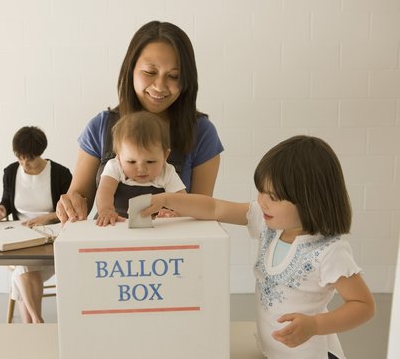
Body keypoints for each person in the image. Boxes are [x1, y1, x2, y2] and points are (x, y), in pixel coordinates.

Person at [141, 135, 376, 359]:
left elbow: (363, 306)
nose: (262, 201)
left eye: (273, 197)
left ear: (310, 202)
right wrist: (167, 199)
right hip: (273, 351)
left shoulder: (329, 252)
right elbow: (214, 208)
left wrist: (315, 325)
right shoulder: (268, 224)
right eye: (261, 191)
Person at [56, 20, 223, 223]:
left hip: (172, 249)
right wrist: (72, 204)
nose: (160, 86)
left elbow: (201, 212)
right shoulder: (100, 127)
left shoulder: (202, 133)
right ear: (131, 69)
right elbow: (80, 196)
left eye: (174, 76)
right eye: (150, 72)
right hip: (107, 247)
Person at [0, 126, 72, 323]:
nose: (24, 163)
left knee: (21, 269)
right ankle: (37, 321)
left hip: (50, 240)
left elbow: (73, 211)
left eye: (29, 158)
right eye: (20, 157)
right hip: (18, 239)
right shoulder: (11, 172)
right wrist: (2, 210)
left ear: (40, 153)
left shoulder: (61, 174)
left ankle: (32, 324)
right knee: (22, 264)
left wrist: (48, 217)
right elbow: (7, 203)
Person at [96, 111, 186, 226]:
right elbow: (105, 191)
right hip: (116, 224)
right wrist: (106, 210)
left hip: (156, 229)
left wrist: (175, 213)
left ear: (165, 156)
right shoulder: (115, 166)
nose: (141, 169)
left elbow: (183, 200)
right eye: (131, 162)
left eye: (150, 161)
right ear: (118, 156)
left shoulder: (167, 172)